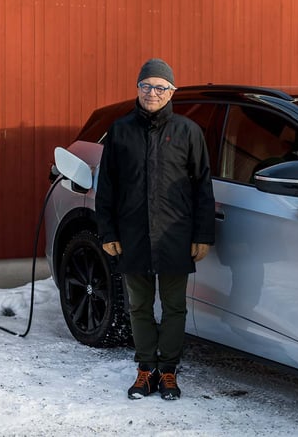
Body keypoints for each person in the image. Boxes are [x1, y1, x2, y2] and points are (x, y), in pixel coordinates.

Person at [95, 58, 215, 400]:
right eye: (146, 86)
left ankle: (168, 372)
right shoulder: (120, 131)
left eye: (160, 87)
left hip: (175, 235)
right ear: (137, 89)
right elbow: (107, 187)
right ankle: (145, 368)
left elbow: (202, 186)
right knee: (139, 306)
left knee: (175, 306)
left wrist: (202, 235)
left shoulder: (187, 132)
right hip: (132, 235)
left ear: (171, 91)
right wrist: (108, 232)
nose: (152, 92)